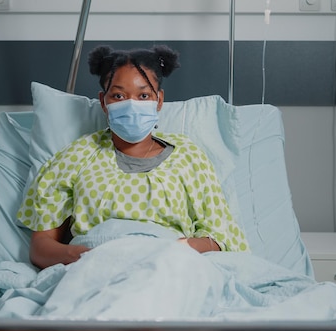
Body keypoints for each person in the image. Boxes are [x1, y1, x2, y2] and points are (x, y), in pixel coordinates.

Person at [19, 45, 249, 270]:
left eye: (143, 95)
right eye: (118, 95)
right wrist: (81, 257)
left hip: (167, 266)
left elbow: (221, 239)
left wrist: (177, 249)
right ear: (103, 102)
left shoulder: (188, 157)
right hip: (94, 267)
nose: (131, 105)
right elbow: (40, 248)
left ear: (159, 100)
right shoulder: (76, 157)